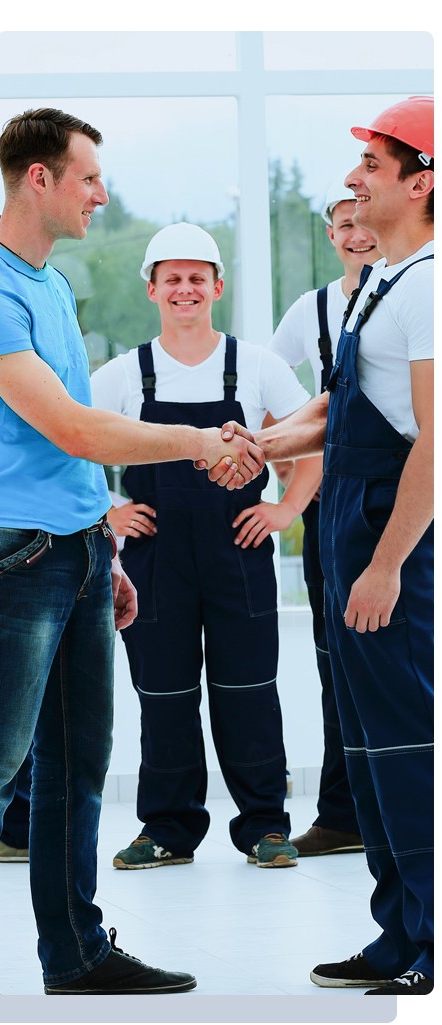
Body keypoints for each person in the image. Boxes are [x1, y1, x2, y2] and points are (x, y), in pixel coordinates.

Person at [0, 108, 264, 996]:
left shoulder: (53, 285)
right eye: (87, 179)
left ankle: (74, 954)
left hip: (71, 552)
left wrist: (101, 546)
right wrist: (194, 443)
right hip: (14, 561)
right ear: (39, 178)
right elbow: (73, 424)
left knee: (73, 771)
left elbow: (73, 447)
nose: (100, 195)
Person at [212, 96, 434, 995]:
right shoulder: (382, 281)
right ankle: (399, 928)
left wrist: (384, 563)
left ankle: (431, 939)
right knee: (366, 743)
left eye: (372, 167)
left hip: (386, 534)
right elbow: (337, 409)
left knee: (406, 743)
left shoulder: (428, 286)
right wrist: (260, 447)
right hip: (344, 519)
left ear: (422, 183)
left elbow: (433, 437)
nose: (352, 181)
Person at [90, 221, 314, 871]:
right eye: (171, 279)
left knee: (248, 690)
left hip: (237, 552)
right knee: (162, 694)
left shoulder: (256, 366)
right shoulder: (126, 374)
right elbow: (70, 443)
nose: (184, 289)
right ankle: (166, 827)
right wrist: (111, 510)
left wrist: (284, 508)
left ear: (216, 286)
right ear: (152, 290)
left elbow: (313, 439)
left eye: (196, 278)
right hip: (156, 557)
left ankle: (265, 826)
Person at [265, 179, 384, 857]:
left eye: (362, 218)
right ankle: (343, 810)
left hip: (403, 503)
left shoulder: (414, 293)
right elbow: (274, 395)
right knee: (336, 662)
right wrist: (284, 465)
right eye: (342, 222)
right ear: (330, 232)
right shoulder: (309, 311)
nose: (355, 233)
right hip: (332, 507)